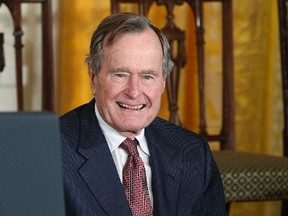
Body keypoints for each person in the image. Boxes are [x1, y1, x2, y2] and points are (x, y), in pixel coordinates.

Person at [60, 12, 227, 216]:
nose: (134, 92)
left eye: (147, 76)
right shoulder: (52, 151)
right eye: (120, 74)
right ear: (93, 77)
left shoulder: (192, 152)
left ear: (163, 83)